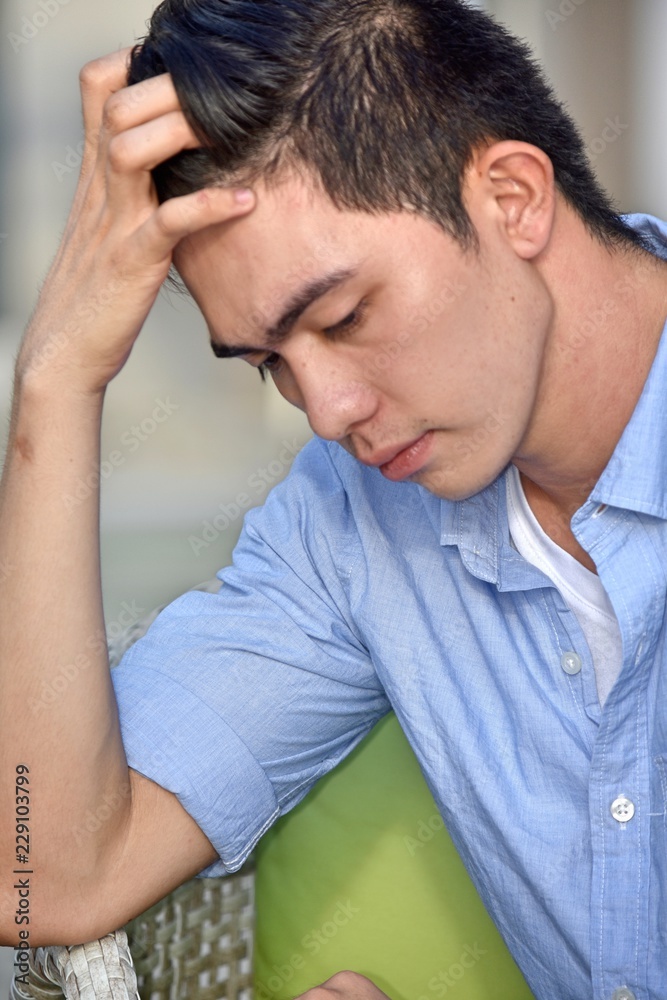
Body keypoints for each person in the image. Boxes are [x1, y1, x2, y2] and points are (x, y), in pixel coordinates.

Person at [1, 0, 666, 997]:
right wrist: (55, 379)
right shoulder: (354, 513)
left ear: (513, 198)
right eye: (270, 362)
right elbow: (37, 879)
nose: (326, 412)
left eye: (345, 316)